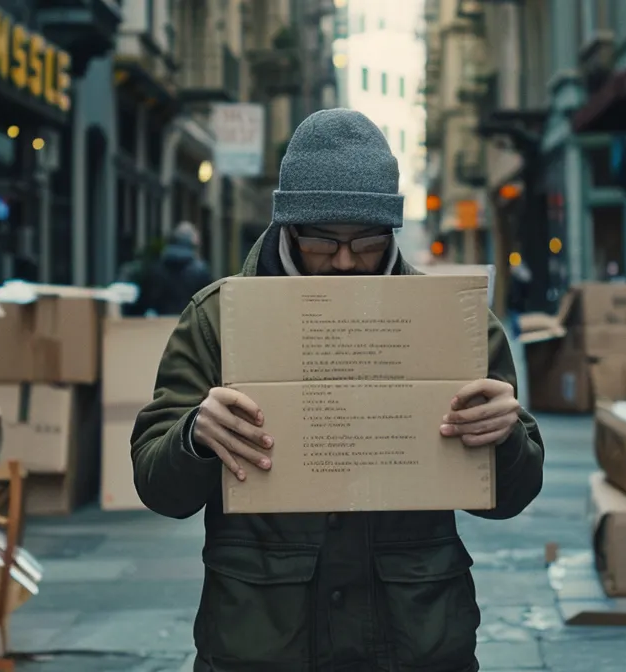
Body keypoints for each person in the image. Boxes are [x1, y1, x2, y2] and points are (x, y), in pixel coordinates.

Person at [130, 108, 546, 671]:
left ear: (391, 231)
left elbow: (512, 497)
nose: (346, 261)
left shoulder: (454, 325)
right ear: (288, 227)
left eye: (367, 241)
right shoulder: (218, 319)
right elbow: (158, 486)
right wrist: (194, 436)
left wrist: (506, 439)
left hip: (412, 640)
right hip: (263, 641)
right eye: (323, 241)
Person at [136, 221, 214, 316]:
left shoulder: (156, 268)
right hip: (189, 323)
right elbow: (209, 303)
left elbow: (143, 302)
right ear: (192, 243)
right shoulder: (200, 270)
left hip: (159, 323)